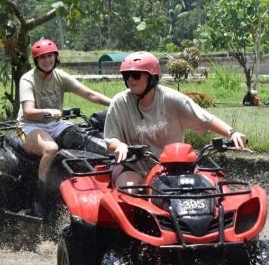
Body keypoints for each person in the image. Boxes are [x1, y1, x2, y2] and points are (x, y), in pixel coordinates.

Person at [104, 51, 247, 188]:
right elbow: (111, 140)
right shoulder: (119, 102)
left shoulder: (172, 99)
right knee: (129, 191)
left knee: (209, 189)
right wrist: (120, 146)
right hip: (135, 167)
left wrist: (232, 133)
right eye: (126, 75)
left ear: (152, 77)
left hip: (175, 167)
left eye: (135, 75)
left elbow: (205, 119)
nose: (130, 79)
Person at [17, 38, 112, 216]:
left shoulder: (60, 76)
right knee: (51, 149)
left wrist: (115, 104)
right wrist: (48, 112)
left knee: (83, 137)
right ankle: (40, 197)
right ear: (36, 60)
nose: (47, 60)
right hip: (29, 126)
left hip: (55, 124)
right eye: (42, 57)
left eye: (50, 56)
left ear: (56, 57)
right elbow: (28, 111)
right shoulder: (27, 79)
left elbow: (90, 94)